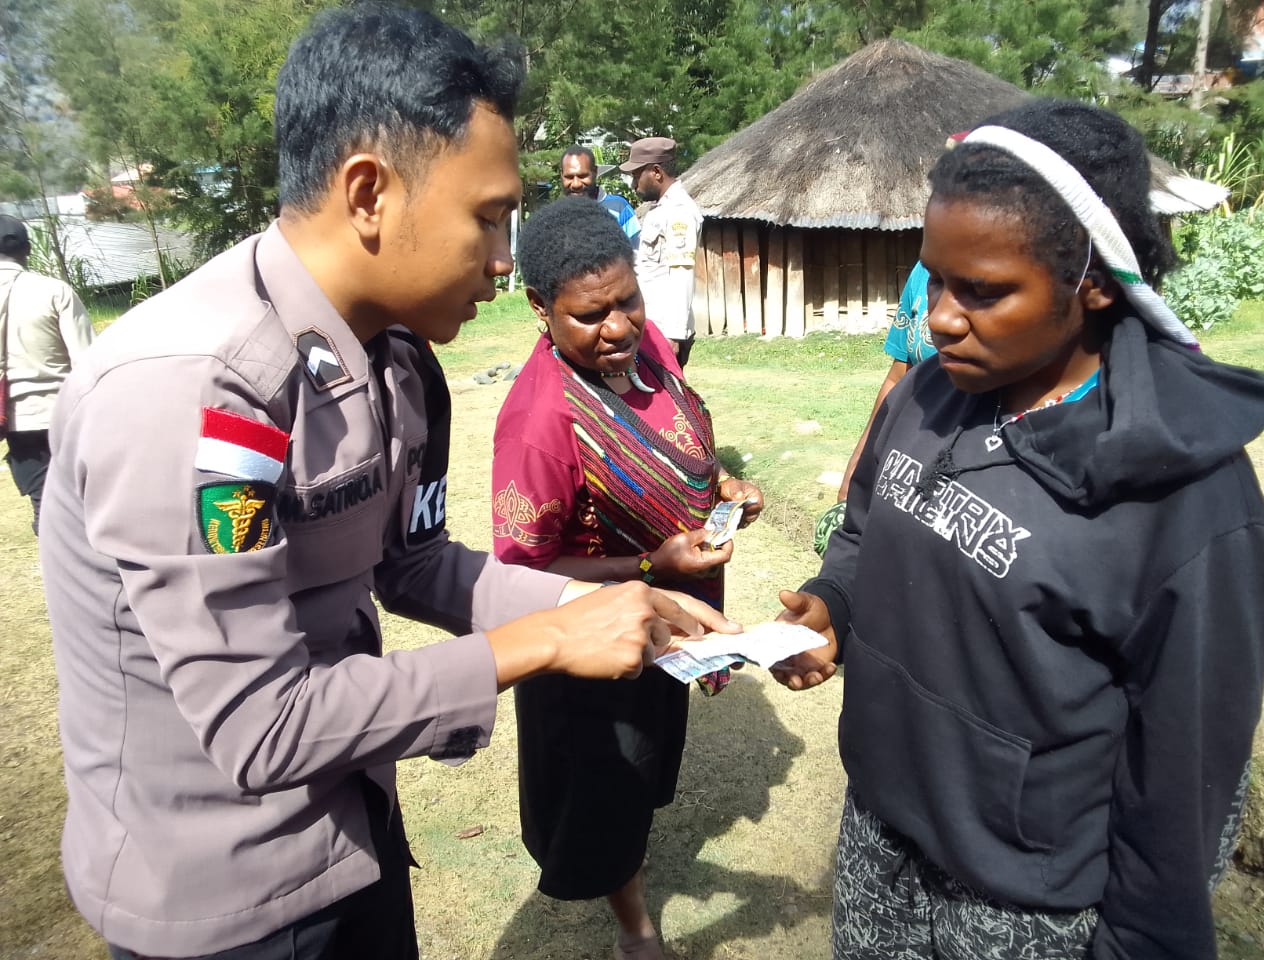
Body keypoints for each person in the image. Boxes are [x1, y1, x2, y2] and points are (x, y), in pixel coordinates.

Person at [38, 9, 734, 960]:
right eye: (487, 217)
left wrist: (605, 596)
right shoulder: (190, 391)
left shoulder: (396, 363)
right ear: (369, 191)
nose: (502, 259)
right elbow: (263, 727)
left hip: (354, 834)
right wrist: (542, 640)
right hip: (224, 899)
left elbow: (412, 563)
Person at [771, 99, 1264, 960]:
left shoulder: (1187, 504)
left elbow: (1186, 786)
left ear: (1095, 281)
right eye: (934, 278)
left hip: (1029, 907)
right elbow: (863, 531)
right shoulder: (926, 395)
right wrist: (834, 605)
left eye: (985, 291)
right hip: (880, 833)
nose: (939, 318)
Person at [491, 197, 762, 960]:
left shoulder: (650, 354)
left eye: (627, 302)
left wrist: (728, 488)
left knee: (645, 771)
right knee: (607, 785)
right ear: (541, 308)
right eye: (590, 315)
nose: (617, 329)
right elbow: (523, 568)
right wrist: (650, 565)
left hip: (667, 628)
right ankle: (634, 925)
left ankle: (630, 871)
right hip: (595, 643)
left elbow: (686, 448)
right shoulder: (538, 424)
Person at [815, 259, 932, 555]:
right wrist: (857, 469)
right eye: (940, 284)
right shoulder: (923, 270)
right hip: (910, 459)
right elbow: (897, 378)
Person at [0, 215, 94, 534]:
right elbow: (87, 360)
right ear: (27, 249)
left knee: (44, 503)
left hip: (13, 419)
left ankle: (56, 561)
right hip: (62, 414)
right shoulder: (54, 291)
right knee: (84, 500)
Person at [620, 136, 703, 367]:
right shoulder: (660, 210)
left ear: (656, 172)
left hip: (665, 332)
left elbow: (681, 273)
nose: (633, 184)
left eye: (637, 175)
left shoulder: (679, 211)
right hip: (650, 326)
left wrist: (674, 335)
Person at [560, 144, 640, 249]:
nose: (576, 184)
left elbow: (637, 252)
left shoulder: (619, 207)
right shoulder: (555, 215)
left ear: (595, 172)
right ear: (561, 175)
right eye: (569, 177)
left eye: (583, 176)